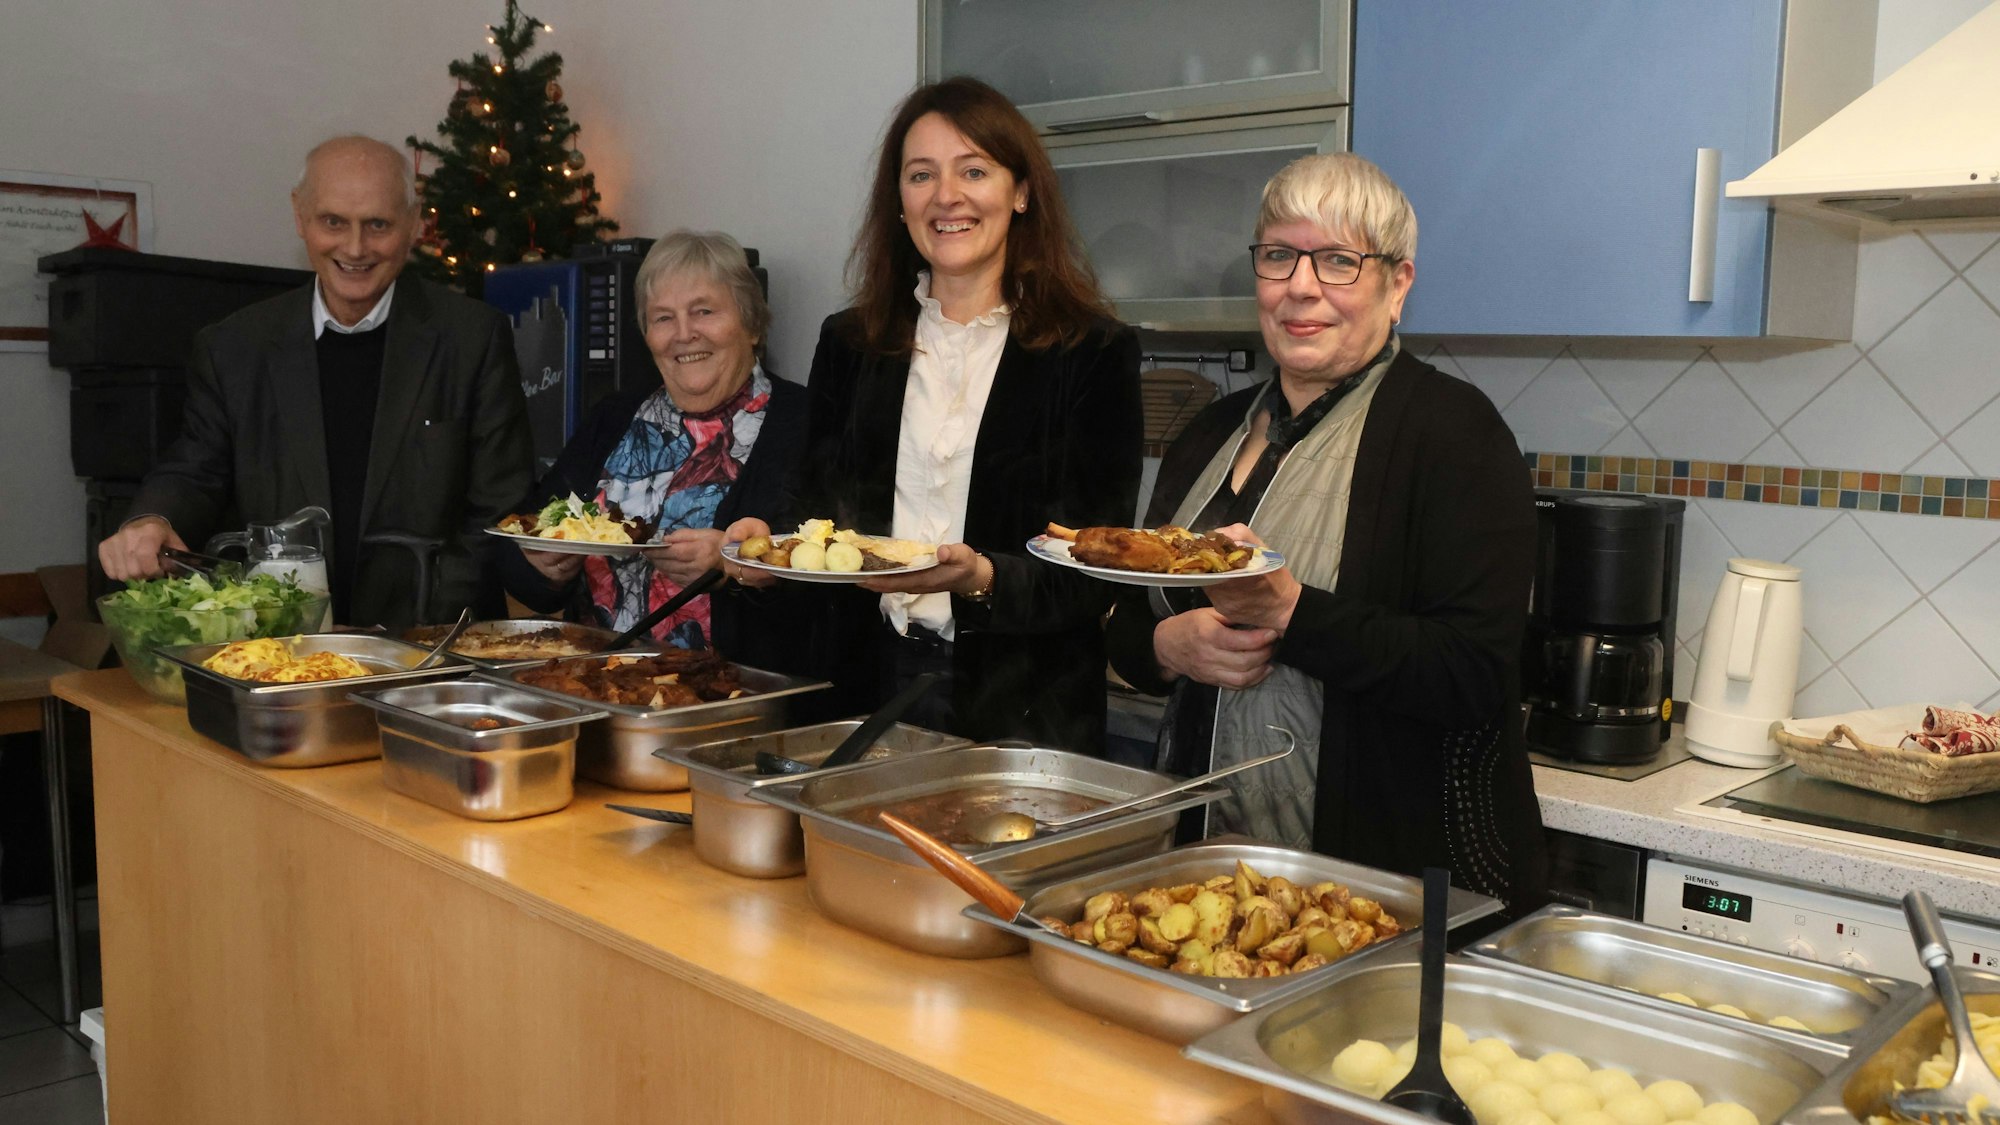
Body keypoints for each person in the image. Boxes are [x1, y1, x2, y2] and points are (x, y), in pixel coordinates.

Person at [1104, 152, 1547, 912]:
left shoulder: (1454, 433)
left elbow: (1471, 673)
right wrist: (1163, 649)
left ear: (1396, 284)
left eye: (1339, 261)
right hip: (1207, 883)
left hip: (1382, 897)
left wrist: (1289, 612)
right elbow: (1127, 623)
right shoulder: (1207, 433)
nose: (1300, 286)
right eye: (1280, 256)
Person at [726, 77, 1143, 754]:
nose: (946, 196)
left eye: (973, 170)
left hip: (1021, 712)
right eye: (921, 175)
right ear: (899, 201)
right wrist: (772, 549)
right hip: (864, 687)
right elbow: (814, 513)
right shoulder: (850, 342)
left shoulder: (1092, 352)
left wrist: (982, 577)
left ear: (1021, 191)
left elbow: (1092, 569)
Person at [97, 134, 533, 629]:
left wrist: (424, 624)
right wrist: (152, 518)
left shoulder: (473, 337)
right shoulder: (235, 345)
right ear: (299, 217)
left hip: (430, 645)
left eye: (378, 224)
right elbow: (197, 467)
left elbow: (500, 507)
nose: (355, 247)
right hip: (280, 647)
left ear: (415, 225)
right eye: (333, 222)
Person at [499, 230, 803, 663]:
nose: (684, 334)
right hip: (589, 681)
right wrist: (542, 566)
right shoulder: (613, 417)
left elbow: (828, 580)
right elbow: (522, 537)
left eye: (704, 311)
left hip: (728, 697)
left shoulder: (805, 421)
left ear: (752, 324)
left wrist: (733, 564)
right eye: (663, 318)